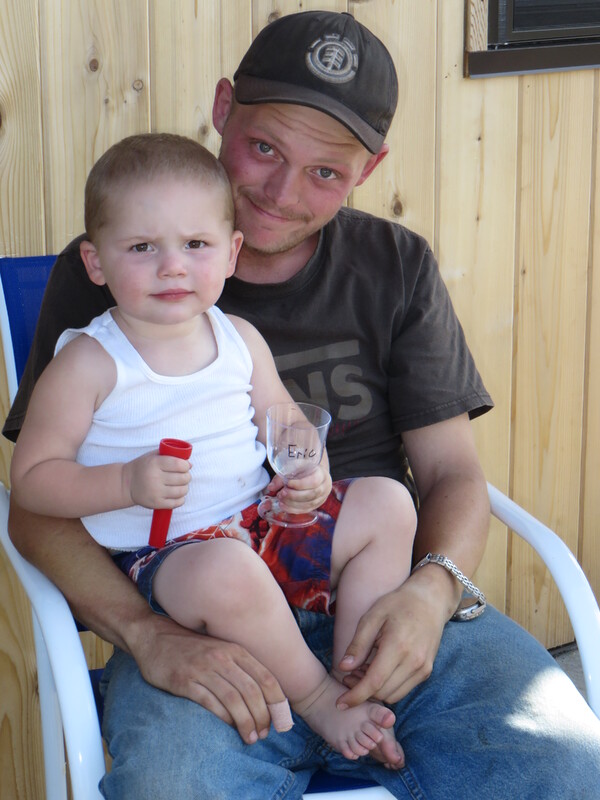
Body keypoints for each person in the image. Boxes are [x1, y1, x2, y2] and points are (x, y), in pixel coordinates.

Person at [4, 10, 600, 799]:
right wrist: (146, 635)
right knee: (174, 786)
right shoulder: (114, 285)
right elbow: (34, 506)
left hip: (374, 592)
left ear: (369, 168)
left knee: (565, 762)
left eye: (325, 171)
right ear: (223, 110)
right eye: (264, 149)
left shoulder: (392, 266)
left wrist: (431, 591)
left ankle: (353, 677)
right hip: (201, 619)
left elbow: (452, 474)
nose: (282, 193)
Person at [10, 133, 414, 767]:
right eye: (142, 247)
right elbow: (32, 479)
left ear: (231, 253)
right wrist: (123, 483)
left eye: (196, 245)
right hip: (171, 559)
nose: (172, 266)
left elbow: (283, 419)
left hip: (261, 524)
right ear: (96, 262)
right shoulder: (89, 363)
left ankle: (353, 665)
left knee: (388, 503)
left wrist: (308, 467)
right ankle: (318, 699)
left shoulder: (238, 337)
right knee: (228, 572)